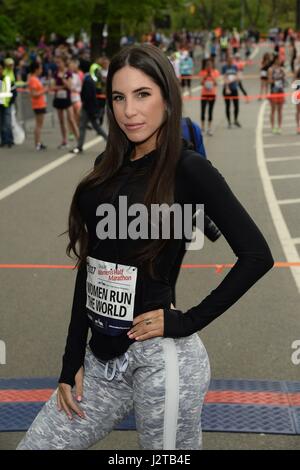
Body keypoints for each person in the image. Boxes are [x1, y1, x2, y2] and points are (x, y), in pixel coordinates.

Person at [17, 44, 274, 451]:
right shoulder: (107, 163)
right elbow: (91, 266)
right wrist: (71, 362)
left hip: (162, 360)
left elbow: (258, 255)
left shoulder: (188, 169)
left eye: (142, 94)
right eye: (119, 97)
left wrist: (186, 321)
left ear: (167, 99)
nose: (129, 111)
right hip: (100, 362)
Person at [71, 62, 108, 154]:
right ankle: (109, 141)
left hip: (87, 107)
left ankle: (79, 146)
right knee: (96, 126)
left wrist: (84, 105)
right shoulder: (92, 79)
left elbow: (87, 96)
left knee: (83, 126)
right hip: (91, 107)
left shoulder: (88, 79)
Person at [51, 55, 79, 149]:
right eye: (57, 62)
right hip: (58, 99)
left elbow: (70, 86)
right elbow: (52, 87)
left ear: (63, 62)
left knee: (71, 119)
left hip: (67, 99)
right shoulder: (55, 73)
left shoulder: (68, 73)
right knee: (61, 121)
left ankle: (79, 140)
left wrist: (63, 79)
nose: (58, 64)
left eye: (59, 62)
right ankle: (64, 141)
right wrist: (61, 87)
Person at [28, 61, 48, 151]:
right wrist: (44, 90)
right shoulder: (32, 79)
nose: (41, 70)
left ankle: (38, 142)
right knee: (38, 125)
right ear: (36, 69)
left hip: (40, 104)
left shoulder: (35, 78)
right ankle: (37, 143)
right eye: (40, 68)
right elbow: (34, 94)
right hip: (38, 105)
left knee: (39, 124)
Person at [198, 58, 220, 135]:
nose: (209, 66)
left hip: (212, 94)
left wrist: (211, 76)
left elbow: (217, 83)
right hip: (204, 94)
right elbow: (200, 83)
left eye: (210, 65)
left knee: (210, 111)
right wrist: (205, 76)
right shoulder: (202, 72)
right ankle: (202, 128)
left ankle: (209, 128)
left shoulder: (215, 72)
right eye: (207, 65)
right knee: (203, 111)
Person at [268, 54, 286, 134]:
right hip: (274, 91)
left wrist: (283, 75)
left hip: (281, 91)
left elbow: (284, 80)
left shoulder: (282, 69)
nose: (280, 61)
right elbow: (269, 81)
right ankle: (272, 127)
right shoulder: (271, 69)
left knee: (280, 110)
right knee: (273, 110)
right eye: (279, 59)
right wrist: (277, 78)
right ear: (275, 60)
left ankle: (280, 126)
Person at [222, 55, 241, 128]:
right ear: (227, 61)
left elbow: (237, 76)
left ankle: (235, 120)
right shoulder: (224, 67)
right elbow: (224, 77)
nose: (230, 61)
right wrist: (227, 87)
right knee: (228, 106)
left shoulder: (235, 67)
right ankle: (229, 122)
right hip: (227, 89)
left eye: (231, 60)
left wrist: (233, 80)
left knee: (236, 105)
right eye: (229, 60)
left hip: (234, 88)